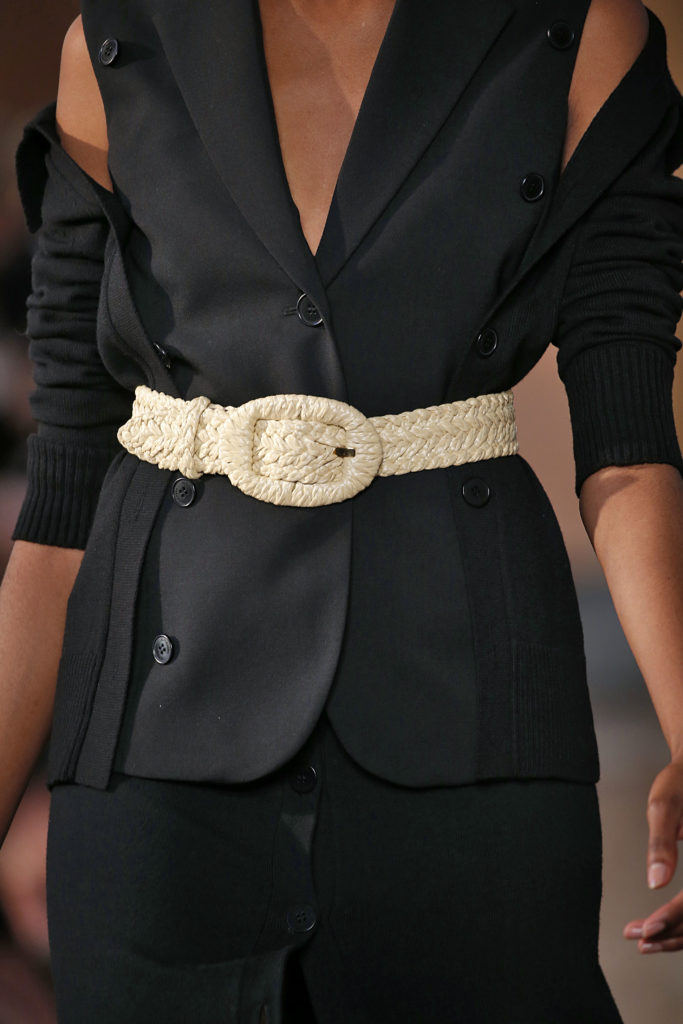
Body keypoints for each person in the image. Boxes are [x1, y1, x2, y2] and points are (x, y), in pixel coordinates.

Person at [1, 0, 683, 1020]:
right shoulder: (119, 38)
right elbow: (64, 496)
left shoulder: (575, 33)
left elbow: (627, 441)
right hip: (155, 749)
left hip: (469, 721)